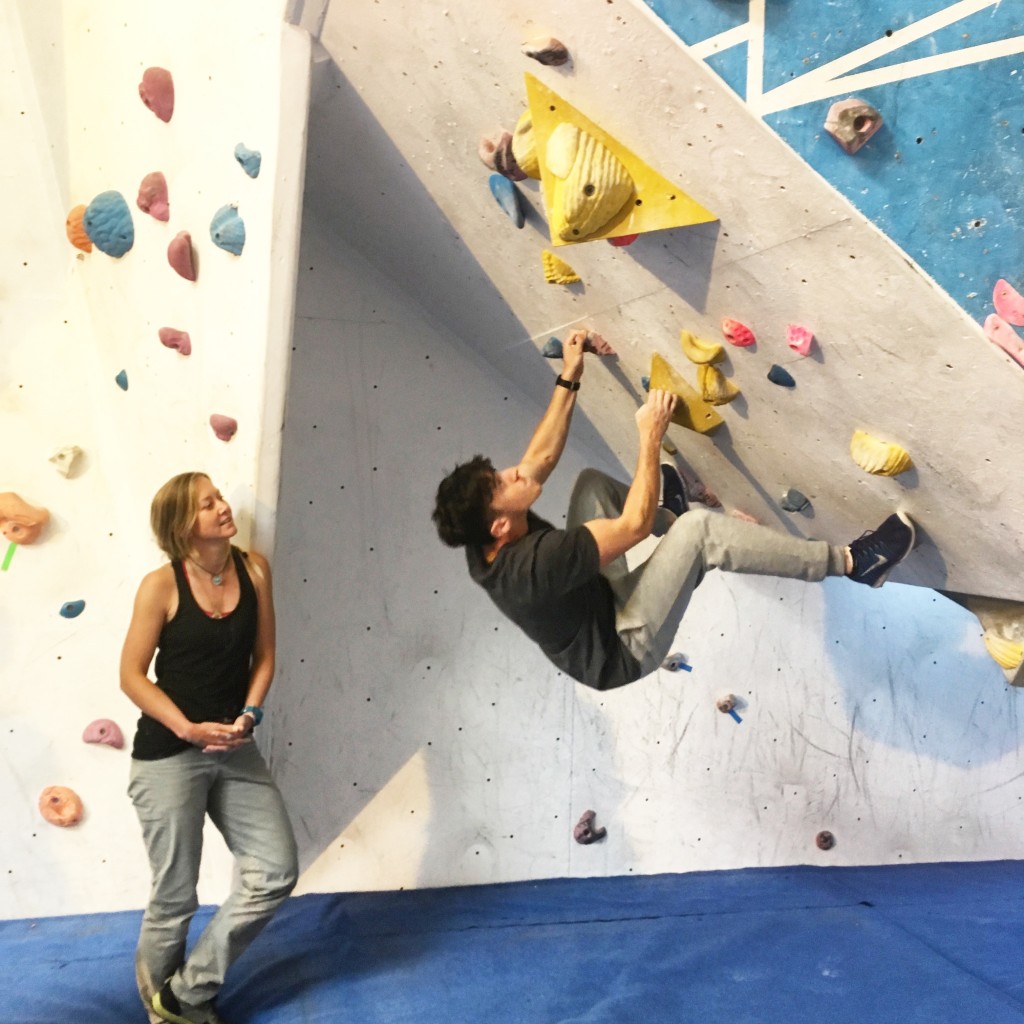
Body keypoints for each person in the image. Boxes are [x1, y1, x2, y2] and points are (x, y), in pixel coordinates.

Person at [431, 328, 917, 691]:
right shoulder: (532, 567)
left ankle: (673, 512)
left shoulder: (488, 536)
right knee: (700, 532)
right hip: (622, 646)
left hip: (593, 598)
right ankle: (854, 563)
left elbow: (538, 461)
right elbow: (631, 526)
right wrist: (650, 434)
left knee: (590, 486)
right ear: (499, 524)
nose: (515, 473)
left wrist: (570, 375)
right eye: (503, 482)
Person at [120, 472, 298, 1024]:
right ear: (182, 526)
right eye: (207, 504)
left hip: (234, 746)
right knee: (174, 899)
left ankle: (186, 995)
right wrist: (189, 728)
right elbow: (131, 677)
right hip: (168, 754)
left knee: (275, 870)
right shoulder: (161, 585)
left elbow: (265, 654)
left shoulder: (254, 569)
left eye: (219, 496)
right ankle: (158, 1013)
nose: (223, 507)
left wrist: (250, 712)